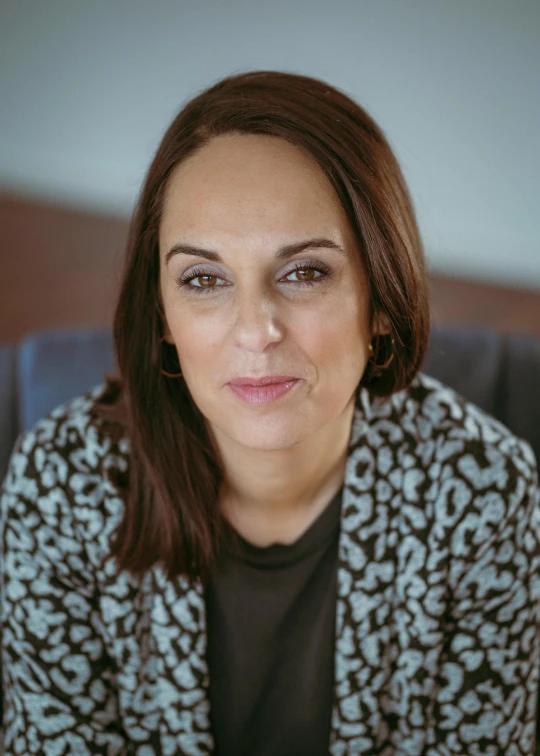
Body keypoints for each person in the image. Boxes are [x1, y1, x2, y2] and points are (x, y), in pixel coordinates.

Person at [1, 70, 539, 756]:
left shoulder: (486, 496)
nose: (256, 331)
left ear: (380, 299)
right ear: (162, 315)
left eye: (305, 272)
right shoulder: (60, 486)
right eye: (204, 279)